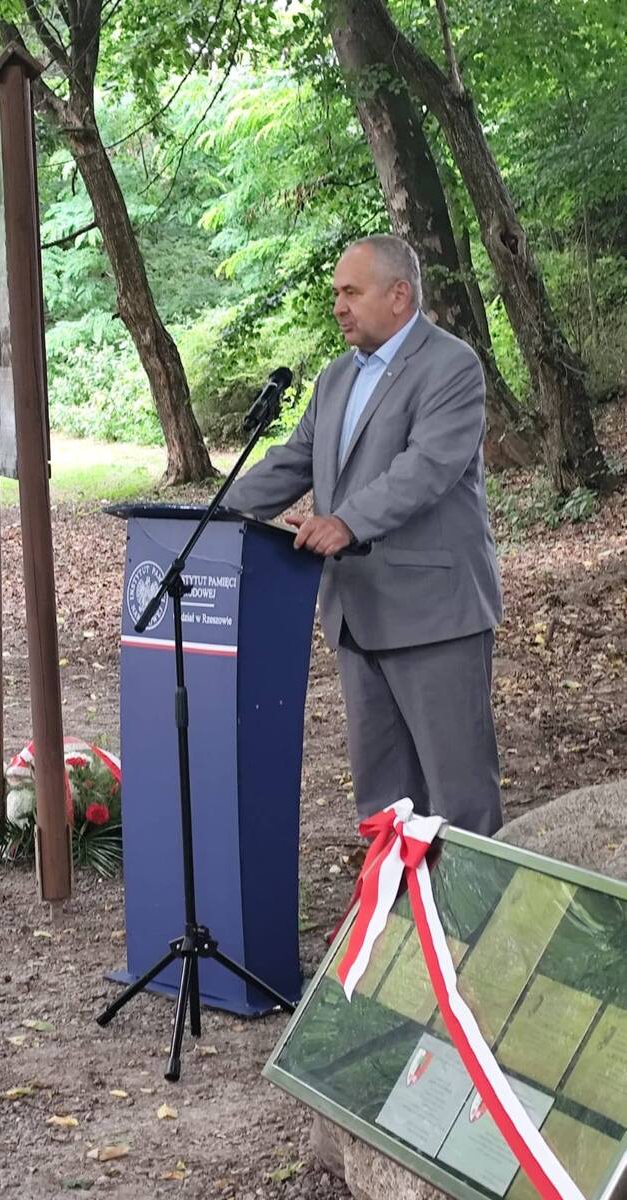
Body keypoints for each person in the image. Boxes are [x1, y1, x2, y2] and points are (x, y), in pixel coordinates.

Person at [225, 235, 503, 836]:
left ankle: (469, 901)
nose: (338, 306)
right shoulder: (335, 378)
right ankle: (394, 898)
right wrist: (211, 517)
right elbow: (293, 461)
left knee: (458, 799)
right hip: (357, 614)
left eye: (350, 292)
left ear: (399, 295)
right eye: (336, 294)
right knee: (384, 803)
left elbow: (425, 468)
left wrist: (346, 521)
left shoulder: (451, 366)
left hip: (434, 616)